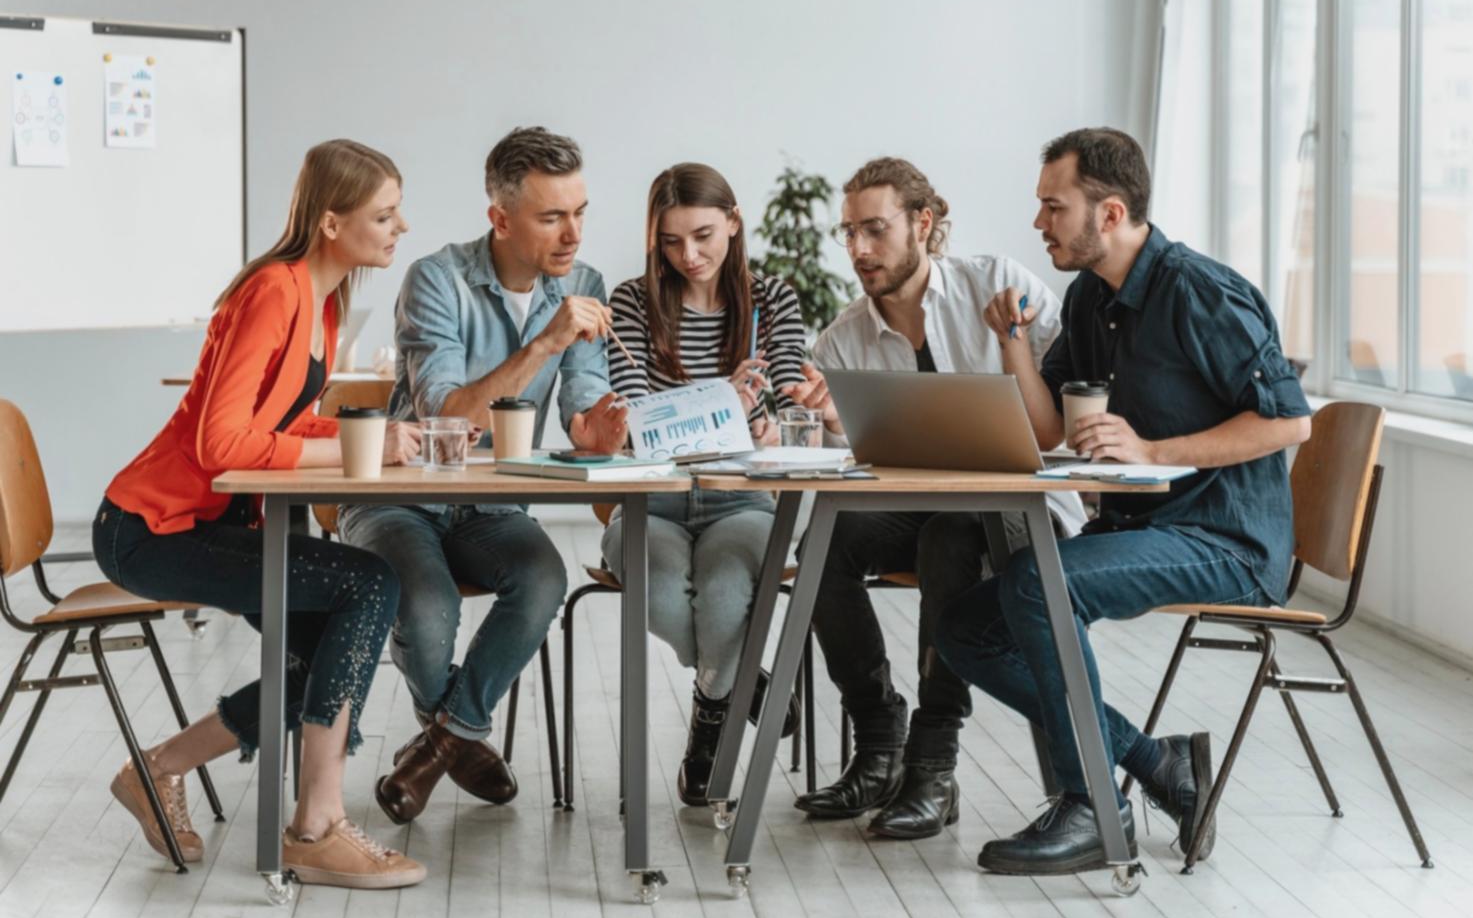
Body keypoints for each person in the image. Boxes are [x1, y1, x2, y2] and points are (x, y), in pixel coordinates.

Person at [934, 127, 1311, 875]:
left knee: (1040, 582)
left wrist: (1152, 451)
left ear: (1108, 213)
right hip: (1152, 529)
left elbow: (1287, 420)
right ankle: (1154, 762)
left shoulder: (1200, 291)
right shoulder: (1086, 300)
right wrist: (1011, 341)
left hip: (1226, 539)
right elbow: (1048, 429)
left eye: (1053, 206)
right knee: (962, 628)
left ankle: (1090, 807)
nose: (1038, 223)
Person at [94, 139, 425, 888]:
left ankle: (161, 769)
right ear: (333, 222)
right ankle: (316, 826)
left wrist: (371, 436)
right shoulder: (275, 290)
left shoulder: (323, 301)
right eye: (385, 213)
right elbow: (221, 443)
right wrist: (352, 442)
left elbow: (278, 421)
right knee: (367, 585)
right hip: (149, 527)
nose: (400, 226)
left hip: (209, 524)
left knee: (322, 648)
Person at [779, 157, 1085, 839]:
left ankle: (932, 760)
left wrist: (1017, 351)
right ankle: (878, 736)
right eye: (848, 232)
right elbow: (841, 469)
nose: (858, 250)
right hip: (920, 509)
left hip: (1015, 515)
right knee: (823, 541)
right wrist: (831, 426)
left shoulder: (999, 284)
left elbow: (1073, 390)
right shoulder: (841, 339)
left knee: (948, 535)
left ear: (923, 222)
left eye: (875, 230)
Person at [339, 126, 629, 824]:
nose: (572, 233)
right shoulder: (436, 278)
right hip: (405, 498)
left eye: (580, 211)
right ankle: (464, 740)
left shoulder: (582, 285)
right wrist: (547, 339)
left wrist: (601, 428)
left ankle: (441, 741)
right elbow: (448, 416)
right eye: (551, 215)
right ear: (500, 217)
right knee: (428, 604)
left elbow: (581, 408)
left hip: (494, 505)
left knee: (543, 578)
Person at [601, 162, 805, 805]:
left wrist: (724, 413)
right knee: (660, 593)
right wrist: (726, 402)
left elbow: (774, 418)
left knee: (723, 597)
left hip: (739, 498)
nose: (688, 256)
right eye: (670, 241)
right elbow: (637, 423)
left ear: (735, 224)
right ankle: (744, 683)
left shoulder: (774, 300)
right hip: (648, 500)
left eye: (704, 236)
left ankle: (708, 734)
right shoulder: (632, 301)